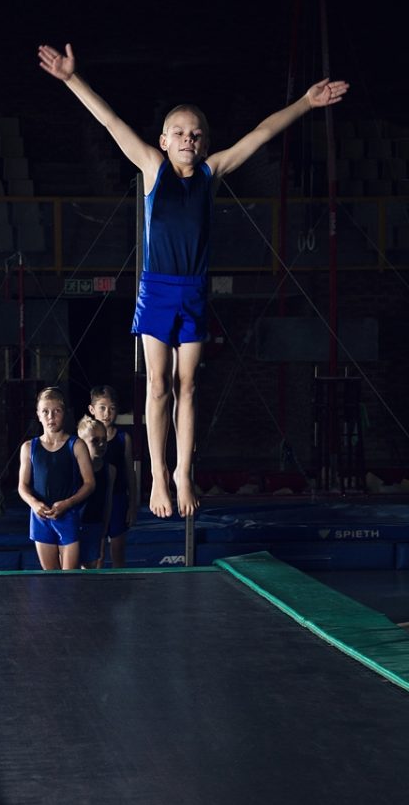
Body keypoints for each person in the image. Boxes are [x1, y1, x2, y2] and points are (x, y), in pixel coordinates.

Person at [38, 42, 349, 518]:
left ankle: (183, 471)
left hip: (194, 291)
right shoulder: (152, 167)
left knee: (188, 386)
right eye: (179, 133)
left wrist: (306, 102)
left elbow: (261, 134)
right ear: (164, 140)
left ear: (205, 143)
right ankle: (158, 476)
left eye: (196, 134)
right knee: (157, 385)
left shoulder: (210, 172)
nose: (189, 139)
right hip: (157, 290)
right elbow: (111, 122)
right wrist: (71, 79)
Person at [18, 386, 95, 570]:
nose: (51, 417)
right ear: (38, 414)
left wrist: (68, 503)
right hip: (41, 517)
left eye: (56, 411)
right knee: (50, 578)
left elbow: (90, 483)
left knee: (69, 578)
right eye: (45, 412)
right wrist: (34, 504)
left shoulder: (76, 445)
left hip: (68, 515)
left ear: (65, 413)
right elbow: (22, 486)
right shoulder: (29, 447)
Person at [88, 385, 137, 568]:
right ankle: (95, 584)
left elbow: (130, 473)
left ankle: (119, 582)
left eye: (112, 408)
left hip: (117, 499)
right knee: (97, 554)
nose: (107, 413)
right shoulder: (84, 439)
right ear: (92, 409)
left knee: (117, 551)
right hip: (95, 500)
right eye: (102, 408)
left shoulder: (123, 438)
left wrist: (132, 504)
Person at [76, 415, 116, 569]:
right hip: (73, 524)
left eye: (104, 440)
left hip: (94, 525)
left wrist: (104, 530)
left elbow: (108, 502)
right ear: (82, 443)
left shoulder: (109, 470)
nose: (101, 444)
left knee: (92, 568)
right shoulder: (73, 468)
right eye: (95, 440)